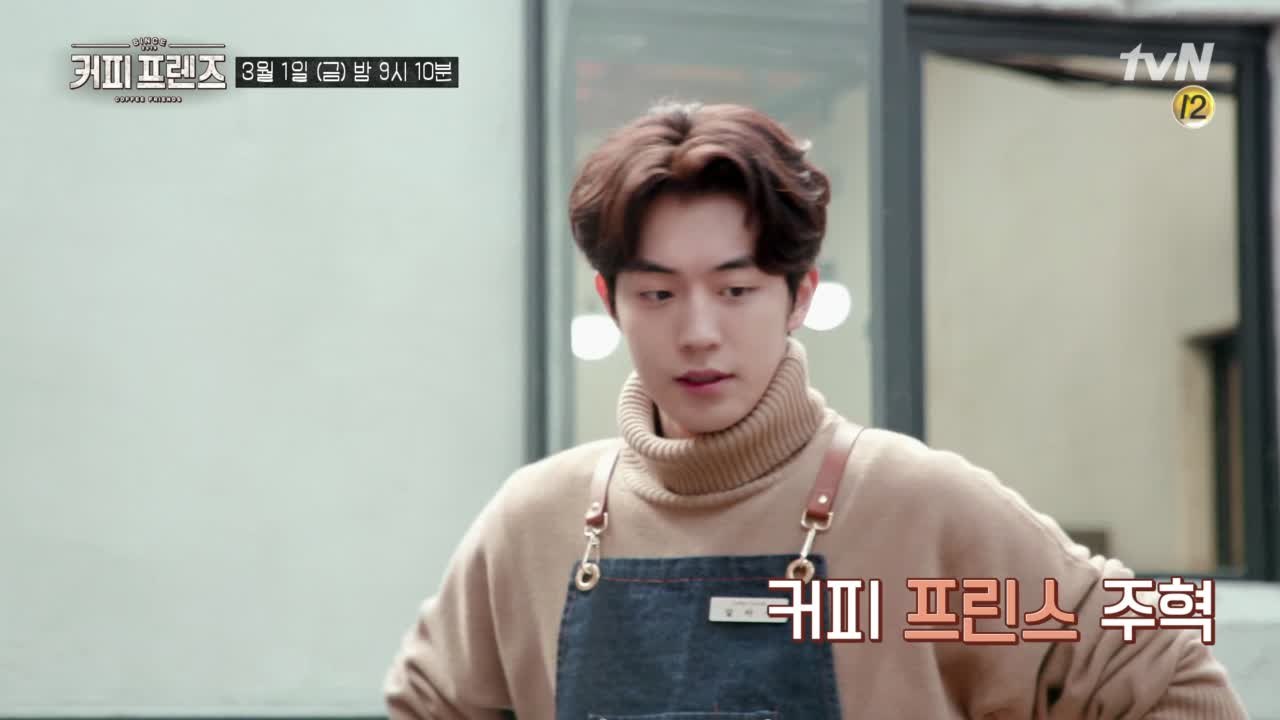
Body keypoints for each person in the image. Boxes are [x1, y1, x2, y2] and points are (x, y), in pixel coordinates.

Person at [383, 101, 1247, 718]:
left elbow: (1169, 673)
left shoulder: (917, 509)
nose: (698, 332)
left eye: (736, 290)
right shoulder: (535, 525)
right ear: (611, 301)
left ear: (799, 296)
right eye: (658, 294)